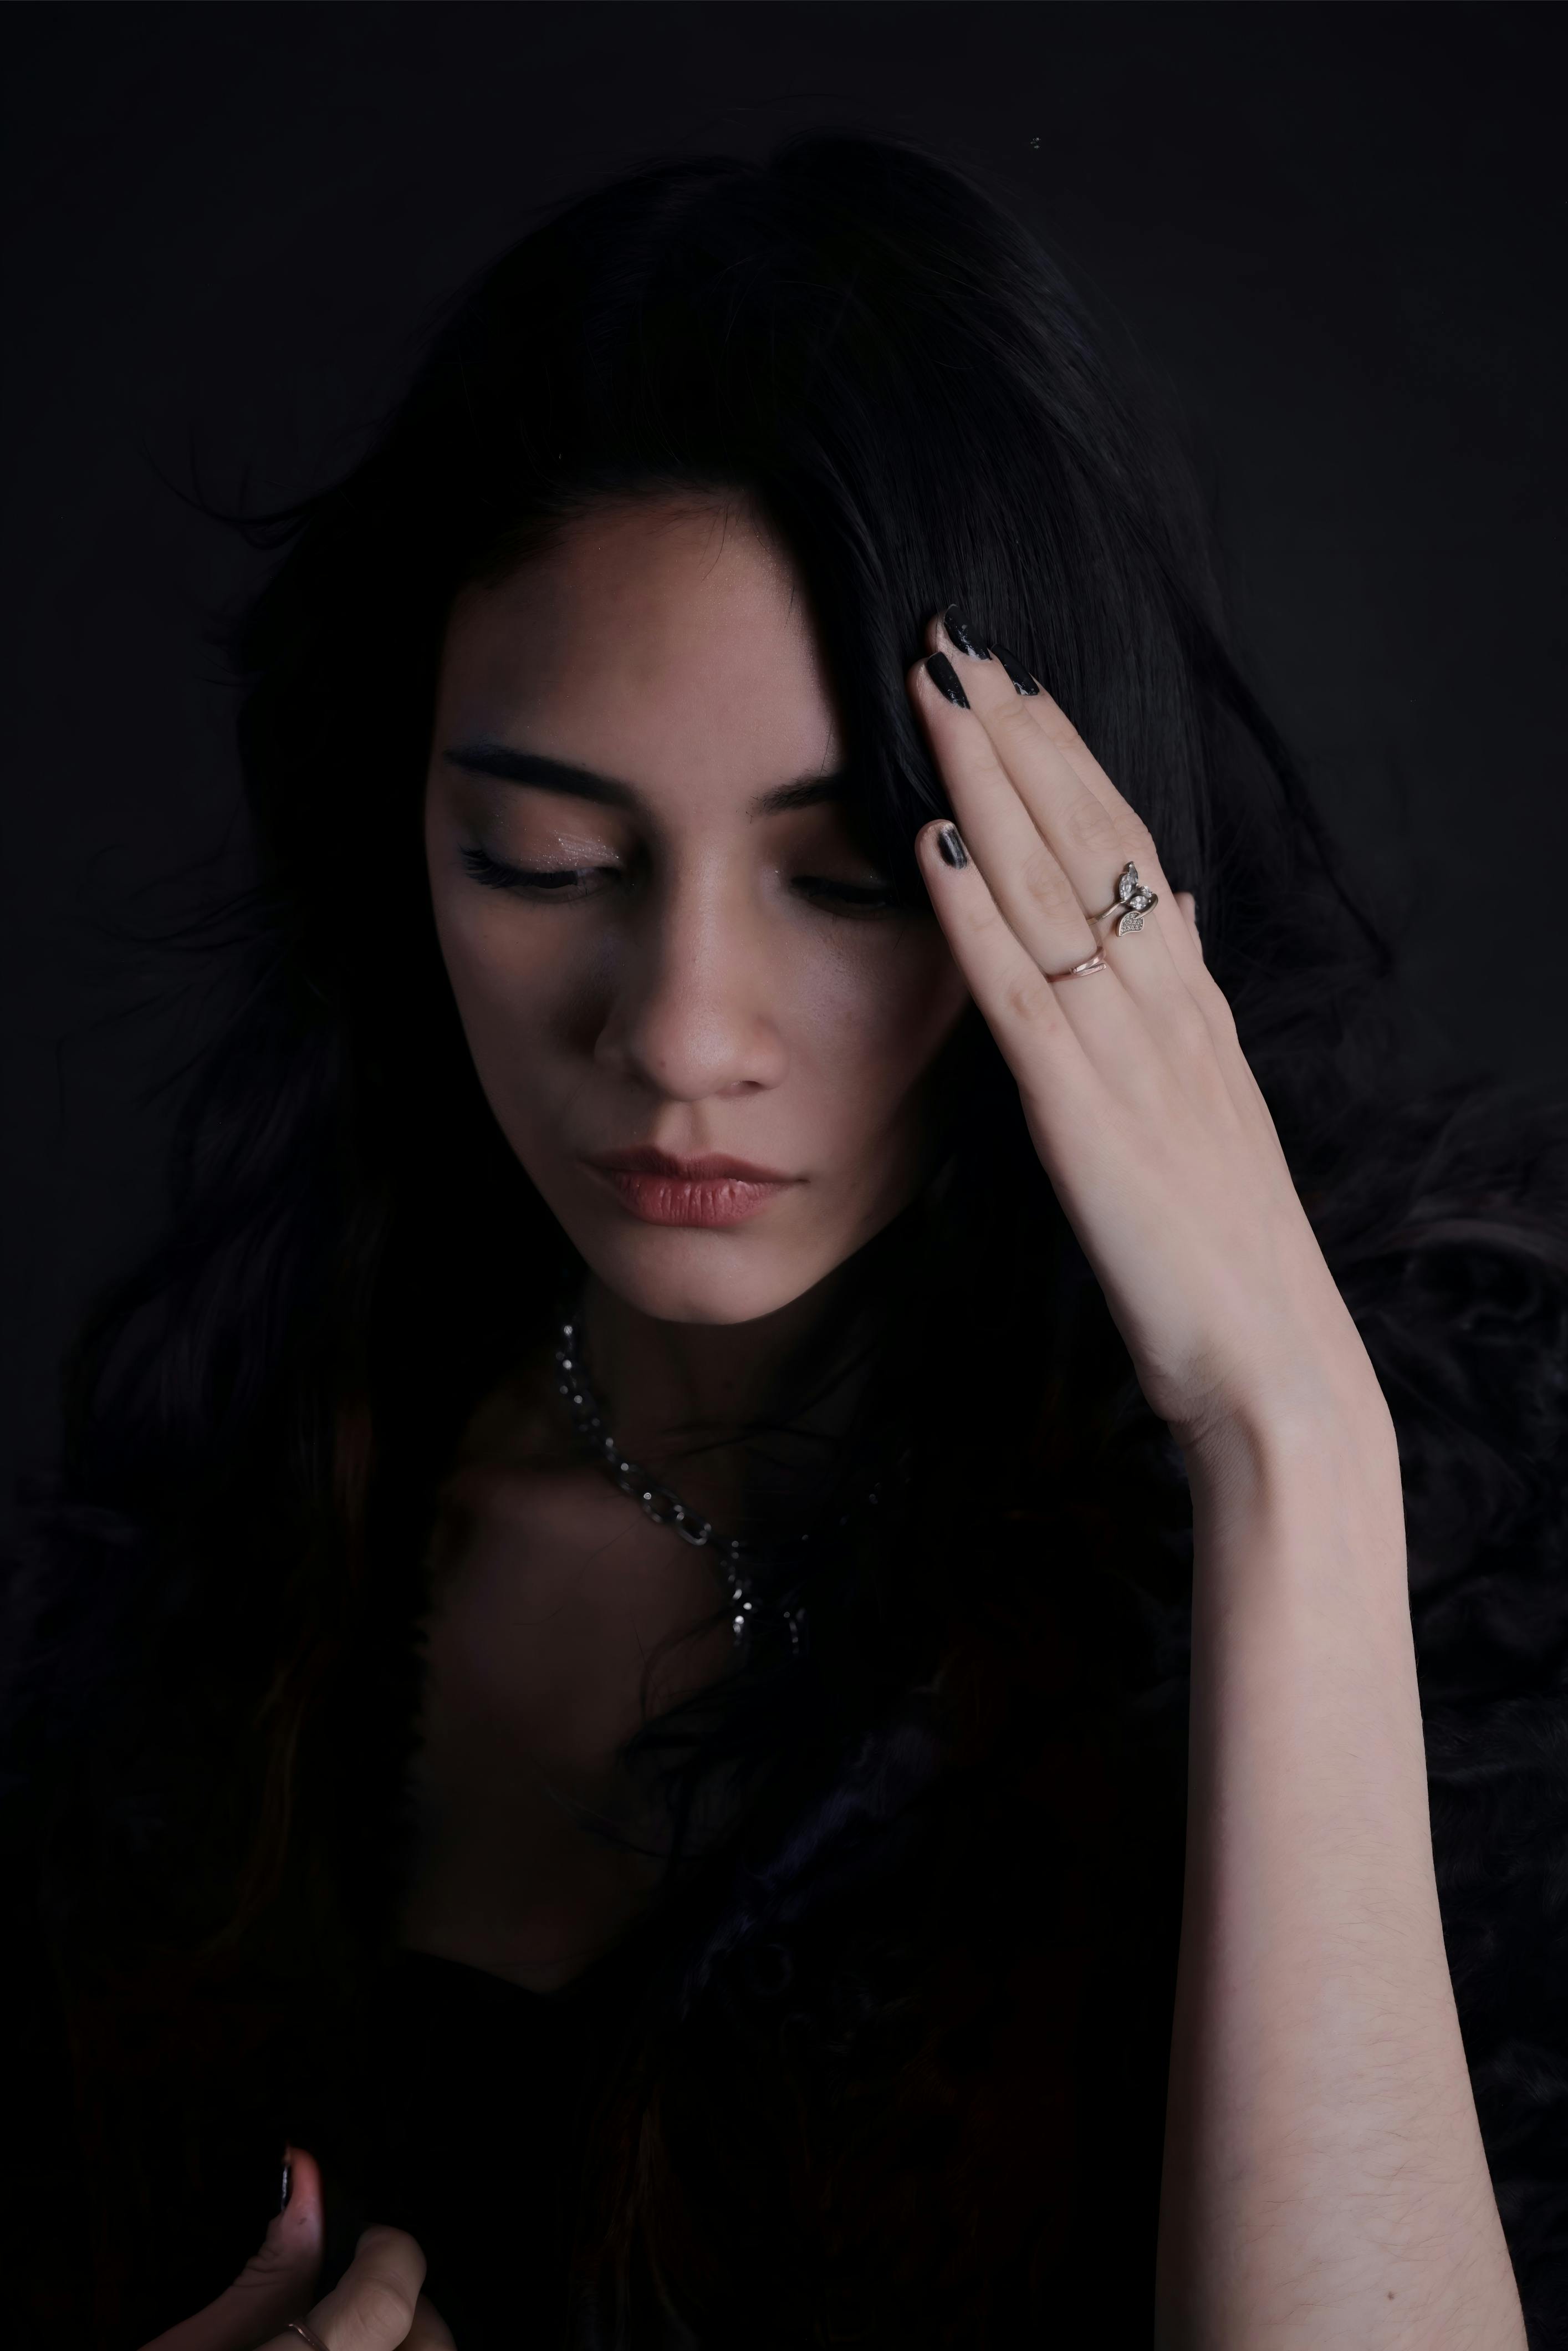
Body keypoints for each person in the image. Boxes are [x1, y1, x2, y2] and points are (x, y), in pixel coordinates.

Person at [4, 134, 1566, 2351]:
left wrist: (1289, 1442)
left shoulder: (1467, 1555)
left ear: (1076, 861)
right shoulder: (228, 1503)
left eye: (844, 880)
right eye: (544, 862)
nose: (679, 1035)